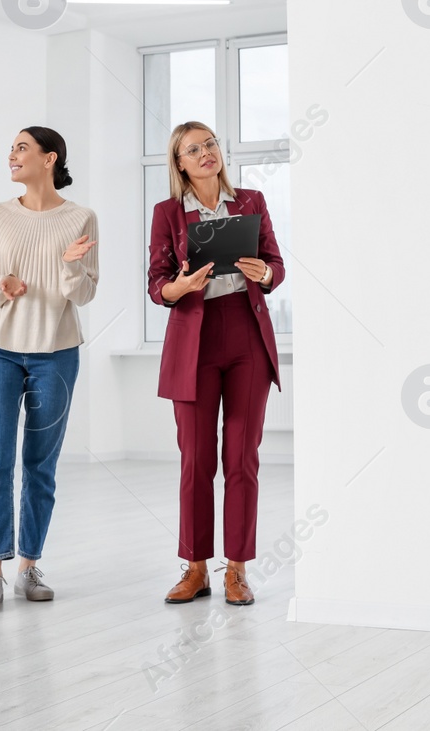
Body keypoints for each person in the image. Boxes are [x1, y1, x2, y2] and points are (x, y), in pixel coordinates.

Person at [148, 121, 284, 606]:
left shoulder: (251, 201)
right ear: (179, 163)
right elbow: (156, 283)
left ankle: (238, 571)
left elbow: (276, 264)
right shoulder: (167, 213)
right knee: (197, 461)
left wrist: (264, 272)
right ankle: (195, 568)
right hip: (194, 341)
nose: (206, 153)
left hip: (245, 335)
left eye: (210, 144)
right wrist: (180, 286)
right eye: (193, 149)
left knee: (242, 460)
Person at [0, 126, 99, 612]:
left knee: (40, 464)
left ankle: (29, 567)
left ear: (49, 158)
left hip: (57, 351)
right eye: (11, 148)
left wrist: (68, 267)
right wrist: (1, 285)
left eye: (21, 147)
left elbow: (84, 293)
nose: (11, 155)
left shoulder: (80, 217)